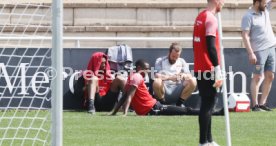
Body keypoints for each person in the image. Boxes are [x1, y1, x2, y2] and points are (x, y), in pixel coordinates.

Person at [109, 59, 224, 116]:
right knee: (185, 111)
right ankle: (213, 112)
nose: (148, 71)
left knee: (186, 111)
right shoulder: (137, 77)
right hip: (153, 108)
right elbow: (127, 96)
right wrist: (122, 113)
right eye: (146, 68)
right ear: (139, 68)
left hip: (155, 107)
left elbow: (125, 96)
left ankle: (214, 113)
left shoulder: (133, 77)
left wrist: (115, 113)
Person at [193, 0, 225, 145]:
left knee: (209, 103)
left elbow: (195, 44)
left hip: (200, 66)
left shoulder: (200, 16)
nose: (223, 4)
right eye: (222, 1)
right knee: (208, 103)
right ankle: (203, 142)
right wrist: (217, 68)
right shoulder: (211, 18)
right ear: (217, 1)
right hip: (208, 67)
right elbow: (211, 47)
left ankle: (209, 139)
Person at [241, 0, 276, 112]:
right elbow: (245, 36)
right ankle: (255, 105)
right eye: (264, 2)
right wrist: (251, 53)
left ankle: (262, 104)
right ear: (257, 3)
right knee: (257, 77)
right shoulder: (248, 16)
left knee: (270, 76)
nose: (266, 4)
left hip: (271, 48)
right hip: (258, 51)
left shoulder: (265, 9)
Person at [153, 42, 197, 107]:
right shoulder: (160, 60)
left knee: (193, 80)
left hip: (178, 88)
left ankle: (179, 103)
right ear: (169, 53)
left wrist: (183, 75)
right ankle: (162, 103)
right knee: (157, 81)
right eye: (173, 56)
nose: (175, 58)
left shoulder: (182, 61)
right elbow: (157, 75)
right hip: (164, 88)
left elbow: (189, 75)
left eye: (177, 57)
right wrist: (171, 78)